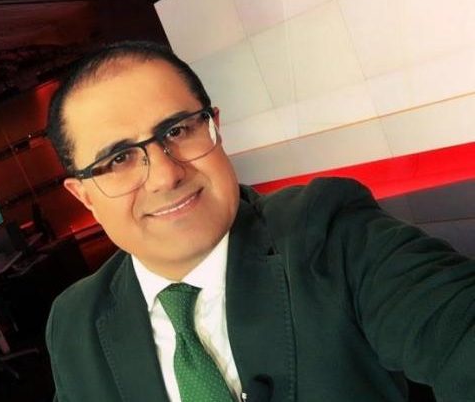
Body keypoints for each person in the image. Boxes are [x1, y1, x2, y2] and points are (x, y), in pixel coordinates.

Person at [45, 41, 475, 402]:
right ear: (83, 195)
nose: (164, 176)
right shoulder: (73, 323)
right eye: (119, 159)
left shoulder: (328, 230)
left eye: (177, 131)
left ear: (215, 127)